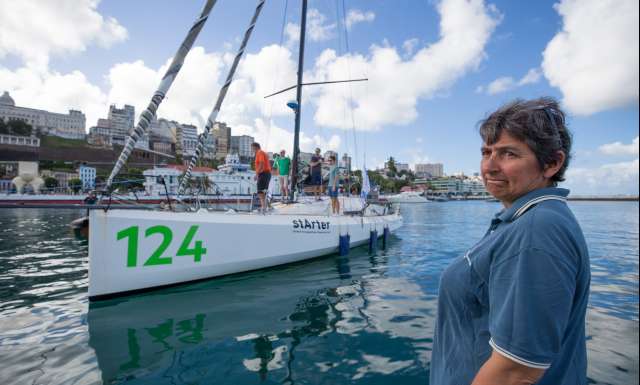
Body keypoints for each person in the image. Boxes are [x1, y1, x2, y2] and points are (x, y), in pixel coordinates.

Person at [430, 97, 590, 385]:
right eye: (486, 152)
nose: (489, 167)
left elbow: (516, 371)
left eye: (508, 154)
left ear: (552, 163)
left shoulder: (537, 229)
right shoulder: (526, 220)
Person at [251, 142, 271, 213]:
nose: (252, 150)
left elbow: (261, 163)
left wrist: (257, 174)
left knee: (260, 192)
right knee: (263, 191)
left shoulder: (259, 152)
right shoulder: (262, 153)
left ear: (255, 147)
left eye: (252, 148)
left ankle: (264, 208)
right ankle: (266, 207)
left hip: (263, 173)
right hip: (266, 173)